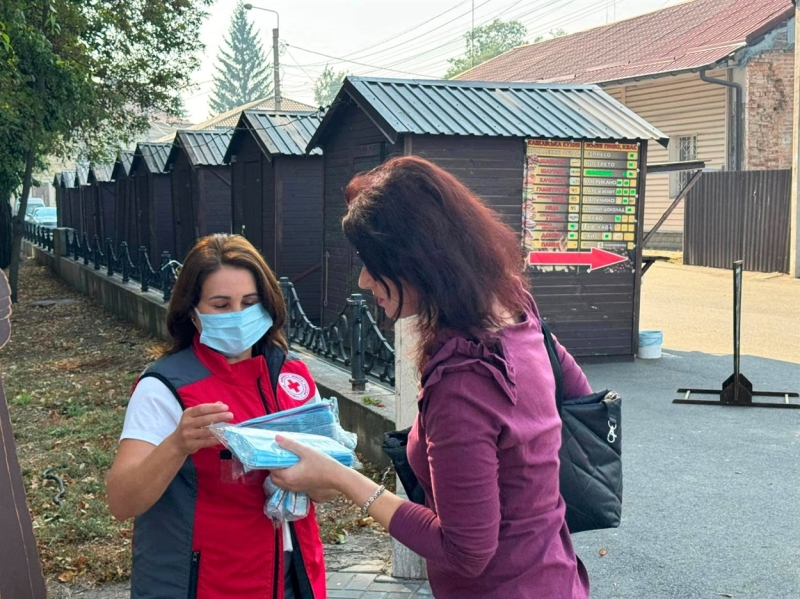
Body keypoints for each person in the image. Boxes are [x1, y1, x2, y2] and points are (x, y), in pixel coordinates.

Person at [271, 156, 592, 598]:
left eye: (372, 263)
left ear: (419, 261)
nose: (364, 280)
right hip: (555, 573)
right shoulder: (517, 311)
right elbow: (577, 395)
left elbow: (465, 551)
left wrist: (340, 478)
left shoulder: (462, 383)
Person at [106, 234, 328, 599]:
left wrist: (316, 473)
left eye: (250, 302)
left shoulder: (293, 378)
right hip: (205, 584)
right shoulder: (165, 387)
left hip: (294, 578)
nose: (238, 316)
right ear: (192, 311)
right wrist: (177, 444)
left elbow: (328, 489)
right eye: (221, 304)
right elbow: (122, 501)